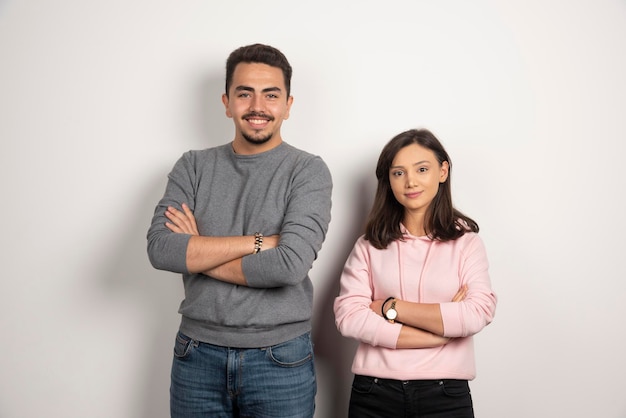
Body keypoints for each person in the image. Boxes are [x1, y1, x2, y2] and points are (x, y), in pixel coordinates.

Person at [147, 43, 332, 418]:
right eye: (244, 93)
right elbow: (162, 250)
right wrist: (258, 242)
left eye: (271, 94)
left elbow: (288, 266)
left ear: (288, 105)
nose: (257, 106)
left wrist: (197, 252)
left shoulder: (308, 171)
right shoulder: (193, 166)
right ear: (227, 102)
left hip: (280, 359)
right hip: (196, 354)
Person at [333, 128, 497, 417]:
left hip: (446, 393)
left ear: (443, 171)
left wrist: (388, 307)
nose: (410, 181)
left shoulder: (467, 243)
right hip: (374, 392)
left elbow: (477, 312)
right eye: (398, 173)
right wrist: (437, 334)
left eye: (422, 169)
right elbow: (348, 317)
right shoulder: (369, 245)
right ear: (389, 181)